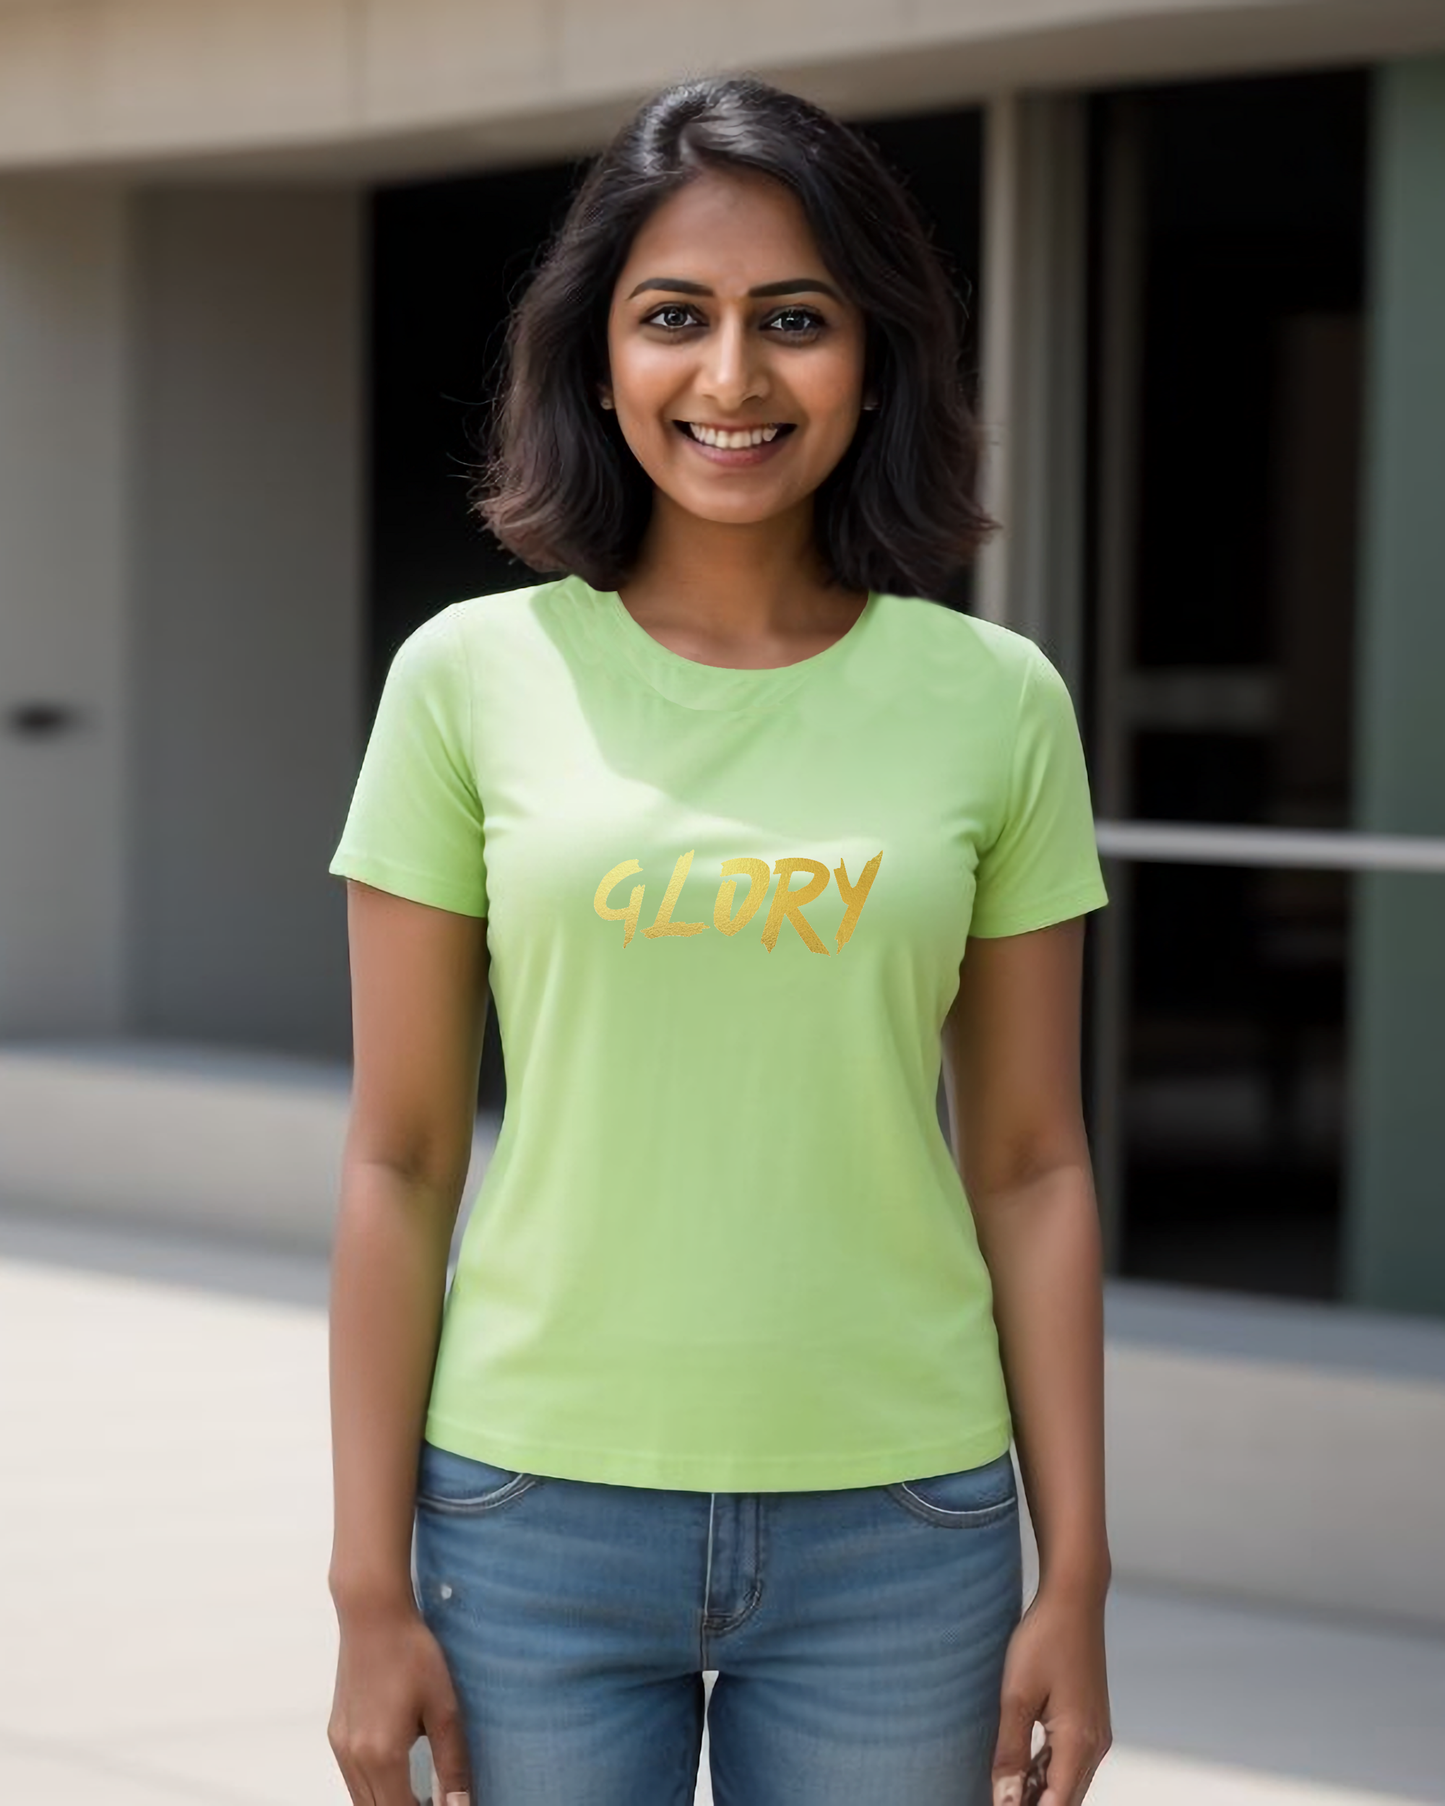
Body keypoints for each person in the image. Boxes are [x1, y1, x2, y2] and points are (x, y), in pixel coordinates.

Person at [324, 72, 1113, 1806]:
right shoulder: (468, 679)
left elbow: (1038, 1162)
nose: (732, 377)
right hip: (528, 1518)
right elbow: (397, 1159)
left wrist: (1082, 1574)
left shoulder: (995, 702)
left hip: (905, 1530)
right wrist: (365, 1586)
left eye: (797, 321)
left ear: (877, 357)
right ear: (598, 356)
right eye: (674, 316)